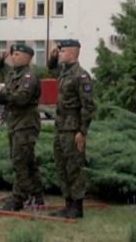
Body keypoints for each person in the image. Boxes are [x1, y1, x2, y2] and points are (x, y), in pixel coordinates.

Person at [0, 43, 43, 211]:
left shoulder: (29, 77)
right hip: (14, 123)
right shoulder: (12, 73)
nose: (13, 57)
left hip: (26, 124)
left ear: (27, 57)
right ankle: (37, 195)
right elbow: (0, 68)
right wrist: (0, 59)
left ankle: (18, 198)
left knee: (20, 161)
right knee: (28, 161)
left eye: (17, 54)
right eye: (12, 54)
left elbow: (20, 99)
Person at [46, 39, 95, 218]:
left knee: (74, 168)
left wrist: (82, 131)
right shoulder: (64, 73)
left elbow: (88, 106)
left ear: (73, 54)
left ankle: (77, 206)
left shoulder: (81, 76)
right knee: (61, 167)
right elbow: (51, 69)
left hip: (73, 129)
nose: (60, 54)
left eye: (63, 51)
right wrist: (52, 58)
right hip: (60, 128)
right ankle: (68, 204)